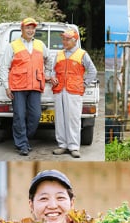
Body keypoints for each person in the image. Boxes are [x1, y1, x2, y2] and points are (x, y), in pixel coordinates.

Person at [0, 17, 53, 156]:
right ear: (22, 29)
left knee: (36, 115)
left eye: (33, 28)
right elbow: (4, 67)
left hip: (35, 86)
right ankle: (22, 144)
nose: (30, 30)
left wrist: (46, 74)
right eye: (28, 28)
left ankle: (24, 138)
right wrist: (6, 86)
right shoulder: (13, 45)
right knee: (19, 116)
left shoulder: (40, 45)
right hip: (18, 87)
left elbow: (49, 60)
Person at [51, 28, 97, 158]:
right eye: (63, 39)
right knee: (60, 119)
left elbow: (92, 71)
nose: (64, 41)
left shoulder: (82, 54)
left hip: (74, 91)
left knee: (73, 119)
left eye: (67, 39)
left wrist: (84, 84)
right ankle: (62, 145)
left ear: (74, 40)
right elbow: (53, 70)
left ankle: (74, 147)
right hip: (59, 89)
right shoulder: (59, 54)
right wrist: (53, 77)